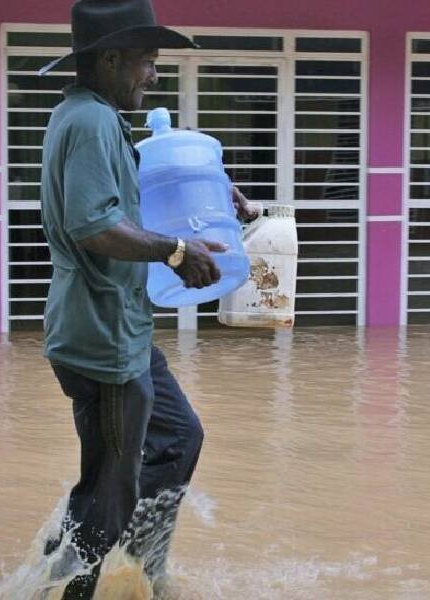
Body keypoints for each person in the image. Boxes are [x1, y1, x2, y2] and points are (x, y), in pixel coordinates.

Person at [37, 1, 258, 597]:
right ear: (111, 58)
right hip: (99, 339)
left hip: (122, 331)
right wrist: (178, 251)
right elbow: (94, 225)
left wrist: (215, 185)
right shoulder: (88, 122)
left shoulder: (93, 117)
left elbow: (122, 188)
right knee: (110, 488)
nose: (153, 76)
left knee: (178, 437)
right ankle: (57, 586)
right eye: (146, 62)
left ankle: (139, 566)